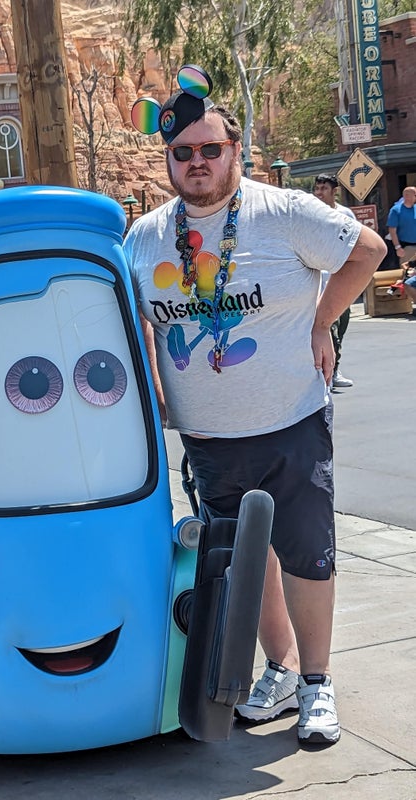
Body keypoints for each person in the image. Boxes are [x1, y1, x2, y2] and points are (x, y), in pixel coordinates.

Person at [125, 66, 386, 745]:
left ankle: (318, 683)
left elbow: (368, 250)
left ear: (234, 151)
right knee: (249, 559)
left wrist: (322, 321)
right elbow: (134, 318)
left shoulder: (284, 212)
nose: (198, 162)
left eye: (211, 149)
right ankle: (281, 669)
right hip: (208, 439)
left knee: (306, 554)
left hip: (291, 420)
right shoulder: (145, 238)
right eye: (184, 152)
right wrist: (152, 383)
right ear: (169, 160)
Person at [313, 174, 357, 390]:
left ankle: (335, 370)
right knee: (329, 329)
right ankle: (326, 377)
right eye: (317, 188)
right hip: (318, 282)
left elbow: (356, 247)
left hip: (339, 280)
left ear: (334, 191)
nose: (319, 193)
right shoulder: (310, 215)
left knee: (342, 326)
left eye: (324, 188)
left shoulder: (345, 215)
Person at [387, 186, 416, 264]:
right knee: (408, 269)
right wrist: (398, 247)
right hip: (406, 247)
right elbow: (392, 230)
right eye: (415, 195)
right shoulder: (396, 210)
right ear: (407, 196)